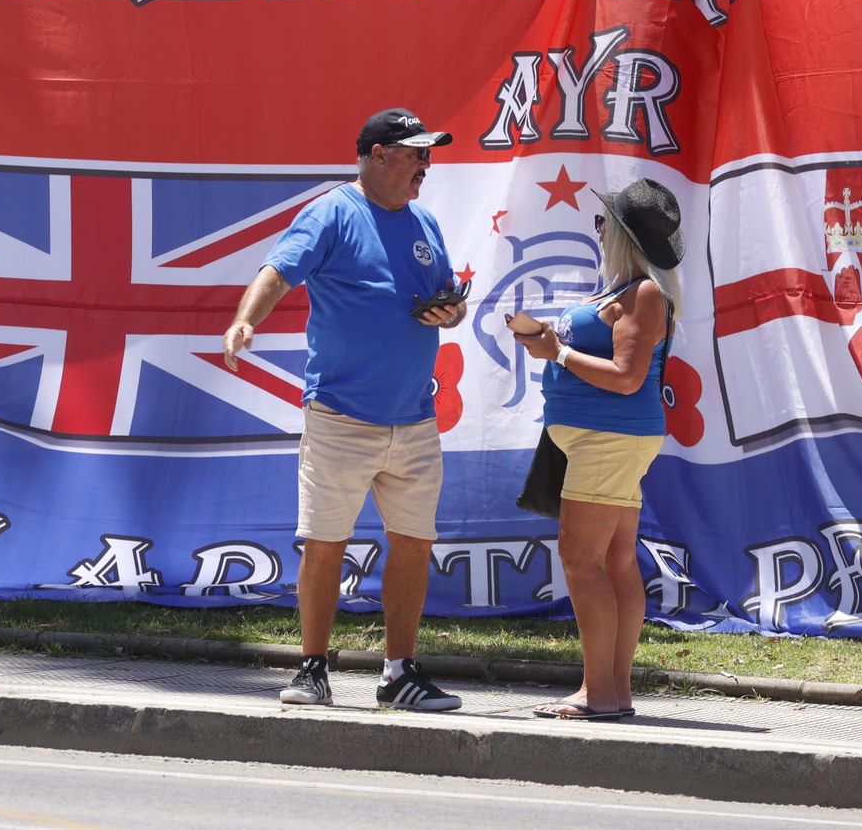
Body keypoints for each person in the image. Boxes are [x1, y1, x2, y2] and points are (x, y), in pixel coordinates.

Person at [222, 106, 467, 712]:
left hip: (414, 418)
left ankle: (399, 675)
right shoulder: (333, 211)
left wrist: (452, 313)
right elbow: (278, 271)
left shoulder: (425, 222)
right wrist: (244, 320)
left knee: (412, 543)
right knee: (325, 542)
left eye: (428, 156)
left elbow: (446, 297)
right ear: (376, 155)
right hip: (339, 416)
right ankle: (312, 668)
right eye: (415, 154)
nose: (425, 166)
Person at [513, 177, 683, 721]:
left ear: (622, 235)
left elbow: (628, 377)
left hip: (608, 440)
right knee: (613, 561)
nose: (598, 228)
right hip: (607, 440)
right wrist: (547, 343)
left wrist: (556, 352)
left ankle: (598, 693)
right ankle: (613, 694)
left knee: (581, 559)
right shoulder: (620, 292)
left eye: (603, 222)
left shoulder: (644, 293)